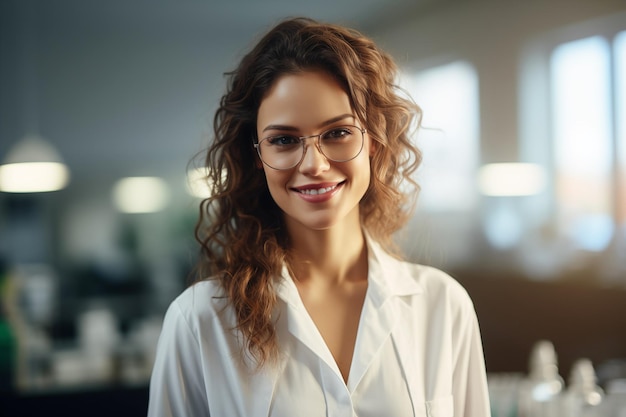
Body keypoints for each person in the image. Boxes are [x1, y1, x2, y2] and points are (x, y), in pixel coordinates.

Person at [148, 17, 491, 417]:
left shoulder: (442, 305)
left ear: (375, 142)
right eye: (284, 140)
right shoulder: (199, 321)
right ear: (257, 156)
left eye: (338, 133)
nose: (314, 164)